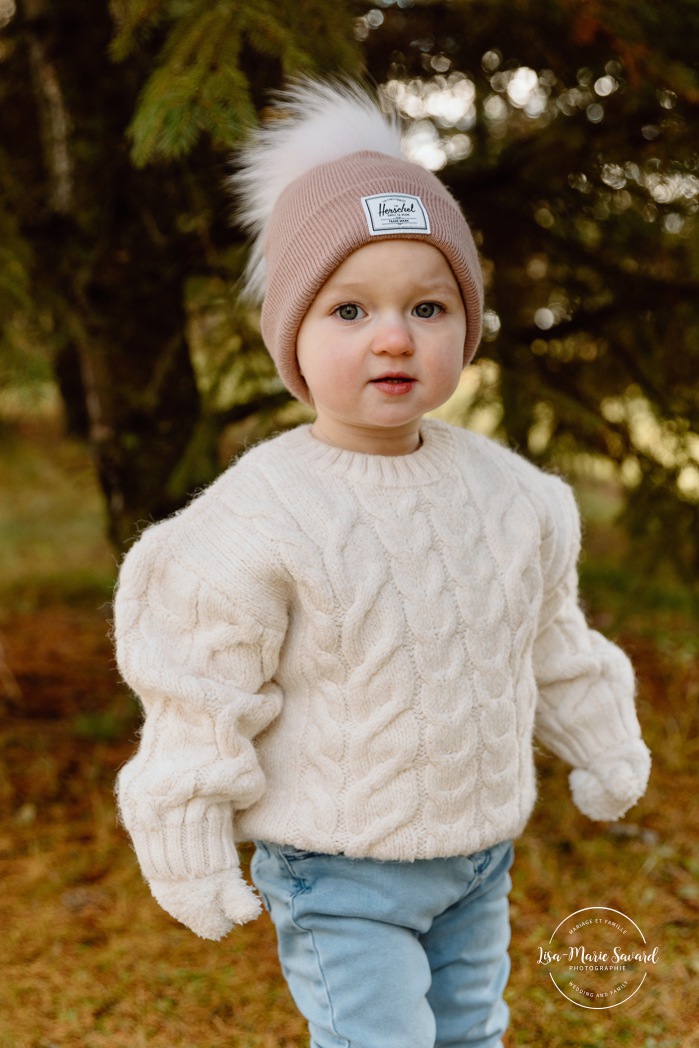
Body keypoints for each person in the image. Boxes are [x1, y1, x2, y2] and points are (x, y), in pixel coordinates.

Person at [114, 79, 651, 1048]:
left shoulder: (516, 497)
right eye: (350, 309)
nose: (395, 335)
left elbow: (550, 641)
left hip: (478, 850)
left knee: (470, 1030)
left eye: (429, 305)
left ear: (466, 325)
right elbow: (202, 692)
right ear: (293, 337)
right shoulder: (259, 513)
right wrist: (190, 839)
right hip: (337, 862)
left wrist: (603, 742)